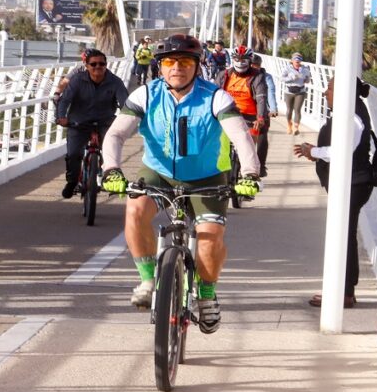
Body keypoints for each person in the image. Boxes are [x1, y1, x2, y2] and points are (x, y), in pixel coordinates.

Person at [100, 34, 261, 334]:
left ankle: (208, 295)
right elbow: (115, 134)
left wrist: (250, 174)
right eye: (170, 62)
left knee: (210, 238)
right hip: (159, 172)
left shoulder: (215, 96)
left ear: (197, 66)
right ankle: (149, 279)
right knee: (135, 211)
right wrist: (111, 169)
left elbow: (240, 136)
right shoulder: (145, 95)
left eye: (186, 62)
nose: (178, 68)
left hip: (207, 176)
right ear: (160, 66)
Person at [293, 77, 373, 309]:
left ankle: (344, 293)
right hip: (350, 183)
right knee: (344, 236)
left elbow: (343, 150)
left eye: (330, 88)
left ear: (344, 92)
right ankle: (344, 290)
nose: (325, 92)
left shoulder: (352, 115)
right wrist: (315, 152)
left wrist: (315, 151)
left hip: (353, 184)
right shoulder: (348, 112)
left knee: (343, 237)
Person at [55, 49, 128, 199]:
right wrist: (61, 117)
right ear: (86, 65)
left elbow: (126, 104)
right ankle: (72, 182)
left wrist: (127, 119)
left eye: (101, 64)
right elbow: (65, 101)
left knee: (110, 151)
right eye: (93, 64)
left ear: (106, 65)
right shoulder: (77, 80)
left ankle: (110, 176)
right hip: (78, 122)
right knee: (74, 154)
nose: (97, 67)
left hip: (105, 122)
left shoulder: (115, 82)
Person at [214, 46, 268, 141]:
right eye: (237, 59)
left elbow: (261, 98)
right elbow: (213, 95)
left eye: (244, 60)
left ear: (250, 61)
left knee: (248, 146)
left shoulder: (257, 77)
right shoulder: (224, 75)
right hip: (227, 114)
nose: (240, 62)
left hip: (250, 117)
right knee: (221, 146)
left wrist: (260, 118)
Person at [251, 53, 278, 177]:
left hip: (261, 111)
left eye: (257, 65)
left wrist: (273, 109)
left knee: (262, 137)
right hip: (245, 111)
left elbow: (271, 93)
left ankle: (261, 165)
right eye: (252, 65)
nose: (254, 67)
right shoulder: (243, 76)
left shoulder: (266, 77)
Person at [281, 52, 312, 135]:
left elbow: (308, 80)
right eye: (296, 61)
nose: (297, 63)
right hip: (289, 91)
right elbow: (282, 78)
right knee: (289, 110)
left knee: (297, 110)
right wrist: (291, 78)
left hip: (300, 91)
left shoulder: (305, 69)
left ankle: (296, 128)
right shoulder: (287, 68)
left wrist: (306, 80)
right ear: (292, 61)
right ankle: (289, 125)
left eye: (299, 61)